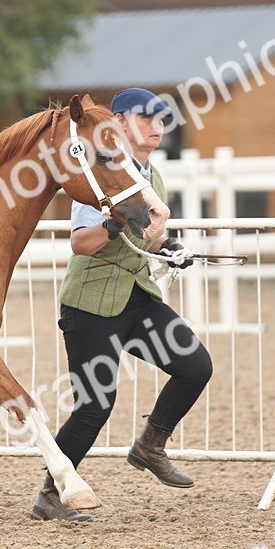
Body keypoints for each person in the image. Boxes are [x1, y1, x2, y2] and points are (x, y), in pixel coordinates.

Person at [32, 88, 214, 522]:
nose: (157, 127)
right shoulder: (99, 170)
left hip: (137, 298)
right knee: (94, 407)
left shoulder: (152, 173)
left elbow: (148, 234)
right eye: (146, 118)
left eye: (161, 119)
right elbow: (81, 243)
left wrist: (170, 246)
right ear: (117, 122)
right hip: (92, 304)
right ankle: (51, 493)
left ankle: (150, 445)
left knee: (195, 366)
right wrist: (114, 224)